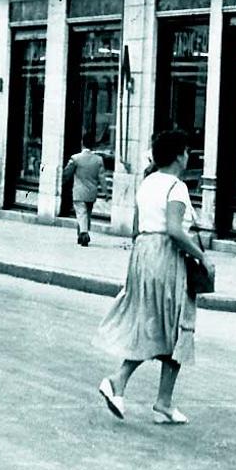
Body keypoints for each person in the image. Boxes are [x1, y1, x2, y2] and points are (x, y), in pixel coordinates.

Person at [94, 130, 214, 425]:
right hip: (166, 255)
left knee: (154, 324)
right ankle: (125, 384)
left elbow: (137, 228)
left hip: (143, 253)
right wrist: (202, 257)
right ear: (177, 155)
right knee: (176, 327)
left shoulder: (146, 184)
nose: (189, 156)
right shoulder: (177, 187)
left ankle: (155, 398)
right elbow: (174, 229)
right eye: (186, 151)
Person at [63, 143, 105, 247]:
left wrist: (63, 182)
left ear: (82, 144)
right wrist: (105, 192)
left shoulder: (76, 158)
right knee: (86, 215)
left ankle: (84, 235)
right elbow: (102, 177)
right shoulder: (98, 160)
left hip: (79, 191)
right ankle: (80, 235)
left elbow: (67, 173)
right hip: (92, 192)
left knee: (81, 214)